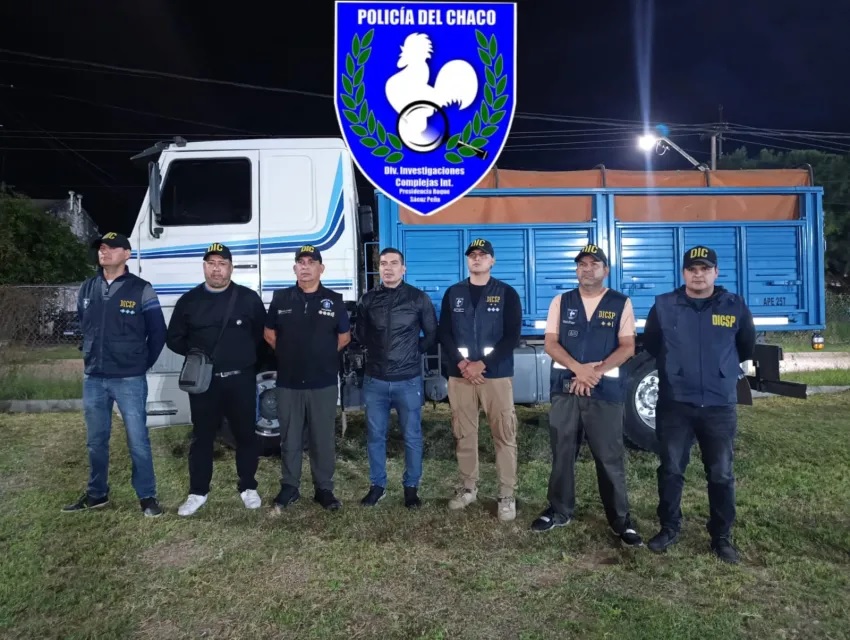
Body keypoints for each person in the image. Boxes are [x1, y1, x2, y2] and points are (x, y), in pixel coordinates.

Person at [643, 245, 756, 564]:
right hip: (676, 403)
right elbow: (652, 343)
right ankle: (669, 528)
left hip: (719, 405)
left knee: (721, 474)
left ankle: (721, 537)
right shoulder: (664, 305)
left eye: (705, 269)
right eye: (692, 269)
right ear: (683, 273)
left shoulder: (734, 305)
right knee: (671, 469)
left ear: (716, 272)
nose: (698, 275)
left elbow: (745, 345)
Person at [530, 244, 643, 546]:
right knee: (562, 453)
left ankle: (621, 521)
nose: (587, 269)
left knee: (609, 456)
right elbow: (551, 343)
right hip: (566, 389)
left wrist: (595, 372)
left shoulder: (620, 303)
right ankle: (558, 510)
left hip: (604, 392)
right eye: (582, 264)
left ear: (606, 270)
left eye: (594, 264)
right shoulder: (561, 301)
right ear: (576, 270)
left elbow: (627, 347)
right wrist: (579, 370)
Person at [63, 232, 167, 517]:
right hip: (94, 378)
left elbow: (158, 332)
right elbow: (84, 325)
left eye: (111, 248)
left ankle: (147, 496)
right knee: (96, 441)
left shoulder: (141, 289)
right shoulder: (88, 287)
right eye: (101, 248)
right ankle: (97, 494)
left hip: (129, 379)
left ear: (127, 254)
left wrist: (141, 364)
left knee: (138, 440)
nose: (104, 252)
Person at [166, 243, 268, 517]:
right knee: (202, 437)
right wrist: (197, 356)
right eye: (211, 263)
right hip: (205, 383)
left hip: (241, 380)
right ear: (204, 267)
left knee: (246, 435)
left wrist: (245, 361)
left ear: (231, 268)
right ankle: (198, 492)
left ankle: (248, 486)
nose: (216, 269)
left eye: (222, 264)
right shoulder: (189, 301)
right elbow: (174, 338)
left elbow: (262, 337)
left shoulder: (247, 298)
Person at [438, 238, 522, 521]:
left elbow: (512, 336)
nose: (477, 258)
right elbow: (444, 333)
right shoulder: (454, 293)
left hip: (495, 375)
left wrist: (482, 364)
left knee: (504, 435)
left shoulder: (507, 293)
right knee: (464, 433)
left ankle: (506, 495)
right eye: (472, 255)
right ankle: (468, 488)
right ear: (467, 260)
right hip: (461, 376)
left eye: (483, 255)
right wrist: (463, 364)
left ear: (492, 261)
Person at [264, 245, 351, 512]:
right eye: (300, 262)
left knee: (322, 438)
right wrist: (289, 355)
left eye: (311, 262)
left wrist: (320, 357)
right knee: (289, 438)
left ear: (321, 268)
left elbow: (344, 337)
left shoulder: (334, 300)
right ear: (294, 268)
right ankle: (290, 487)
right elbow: (269, 333)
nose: (305, 267)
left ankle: (324, 489)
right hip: (289, 382)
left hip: (322, 383)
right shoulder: (281, 298)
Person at [354, 247, 438, 509]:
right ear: (379, 268)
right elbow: (360, 335)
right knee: (375, 436)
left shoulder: (418, 298)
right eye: (383, 263)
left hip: (408, 380)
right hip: (375, 380)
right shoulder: (368, 300)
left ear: (404, 268)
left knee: (412, 436)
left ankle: (411, 488)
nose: (388, 268)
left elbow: (432, 334)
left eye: (393, 263)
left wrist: (413, 353)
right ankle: (377, 486)